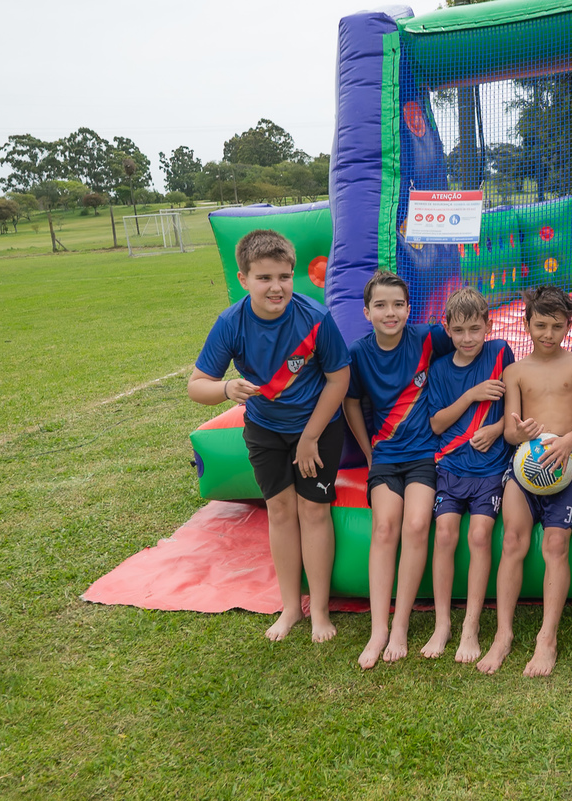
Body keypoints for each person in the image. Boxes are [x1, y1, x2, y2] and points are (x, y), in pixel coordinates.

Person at [188, 229, 350, 643]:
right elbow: (197, 385)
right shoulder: (231, 323)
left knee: (314, 511)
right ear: (244, 279)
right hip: (264, 431)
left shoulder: (315, 317)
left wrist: (311, 437)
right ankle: (291, 607)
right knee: (279, 511)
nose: (276, 287)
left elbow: (339, 379)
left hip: (316, 431)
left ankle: (321, 611)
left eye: (284, 276)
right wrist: (226, 389)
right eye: (264, 278)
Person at [477, 285, 572, 677]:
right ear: (526, 322)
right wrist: (521, 432)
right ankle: (503, 634)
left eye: (557, 326)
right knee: (512, 540)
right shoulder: (514, 371)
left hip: (566, 461)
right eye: (541, 325)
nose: (548, 334)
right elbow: (511, 434)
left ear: (568, 326)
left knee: (556, 543)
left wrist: (567, 441)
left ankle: (547, 638)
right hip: (524, 463)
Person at [343, 271, 453, 669]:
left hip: (425, 454)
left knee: (417, 524)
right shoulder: (357, 353)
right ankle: (379, 629)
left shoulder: (427, 338)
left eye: (398, 305)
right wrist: (368, 451)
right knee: (386, 526)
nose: (390, 313)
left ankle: (402, 625)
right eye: (381, 305)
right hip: (386, 456)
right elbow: (350, 402)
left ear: (409, 309)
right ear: (366, 311)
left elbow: (467, 334)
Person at [425, 287, 515, 662]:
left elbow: (516, 400)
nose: (467, 339)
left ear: (488, 325)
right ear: (446, 328)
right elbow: (436, 423)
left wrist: (496, 430)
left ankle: (471, 625)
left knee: (479, 535)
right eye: (459, 331)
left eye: (474, 330)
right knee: (444, 533)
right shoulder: (440, 370)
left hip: (491, 468)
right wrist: (472, 395)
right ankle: (442, 623)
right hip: (450, 465)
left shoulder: (500, 352)